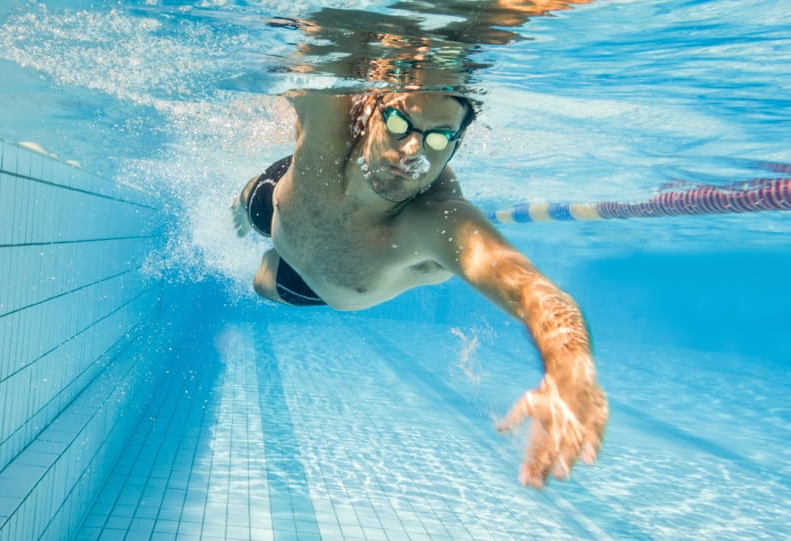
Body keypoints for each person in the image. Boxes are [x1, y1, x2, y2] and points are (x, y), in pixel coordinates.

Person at [232, 90, 608, 488]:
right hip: (288, 203)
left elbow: (535, 293)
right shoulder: (333, 119)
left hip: (315, 278)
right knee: (249, 201)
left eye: (437, 138)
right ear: (371, 113)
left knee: (263, 282)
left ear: (455, 145)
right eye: (398, 124)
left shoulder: (438, 222)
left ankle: (268, 252)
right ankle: (244, 215)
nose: (412, 149)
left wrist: (571, 368)